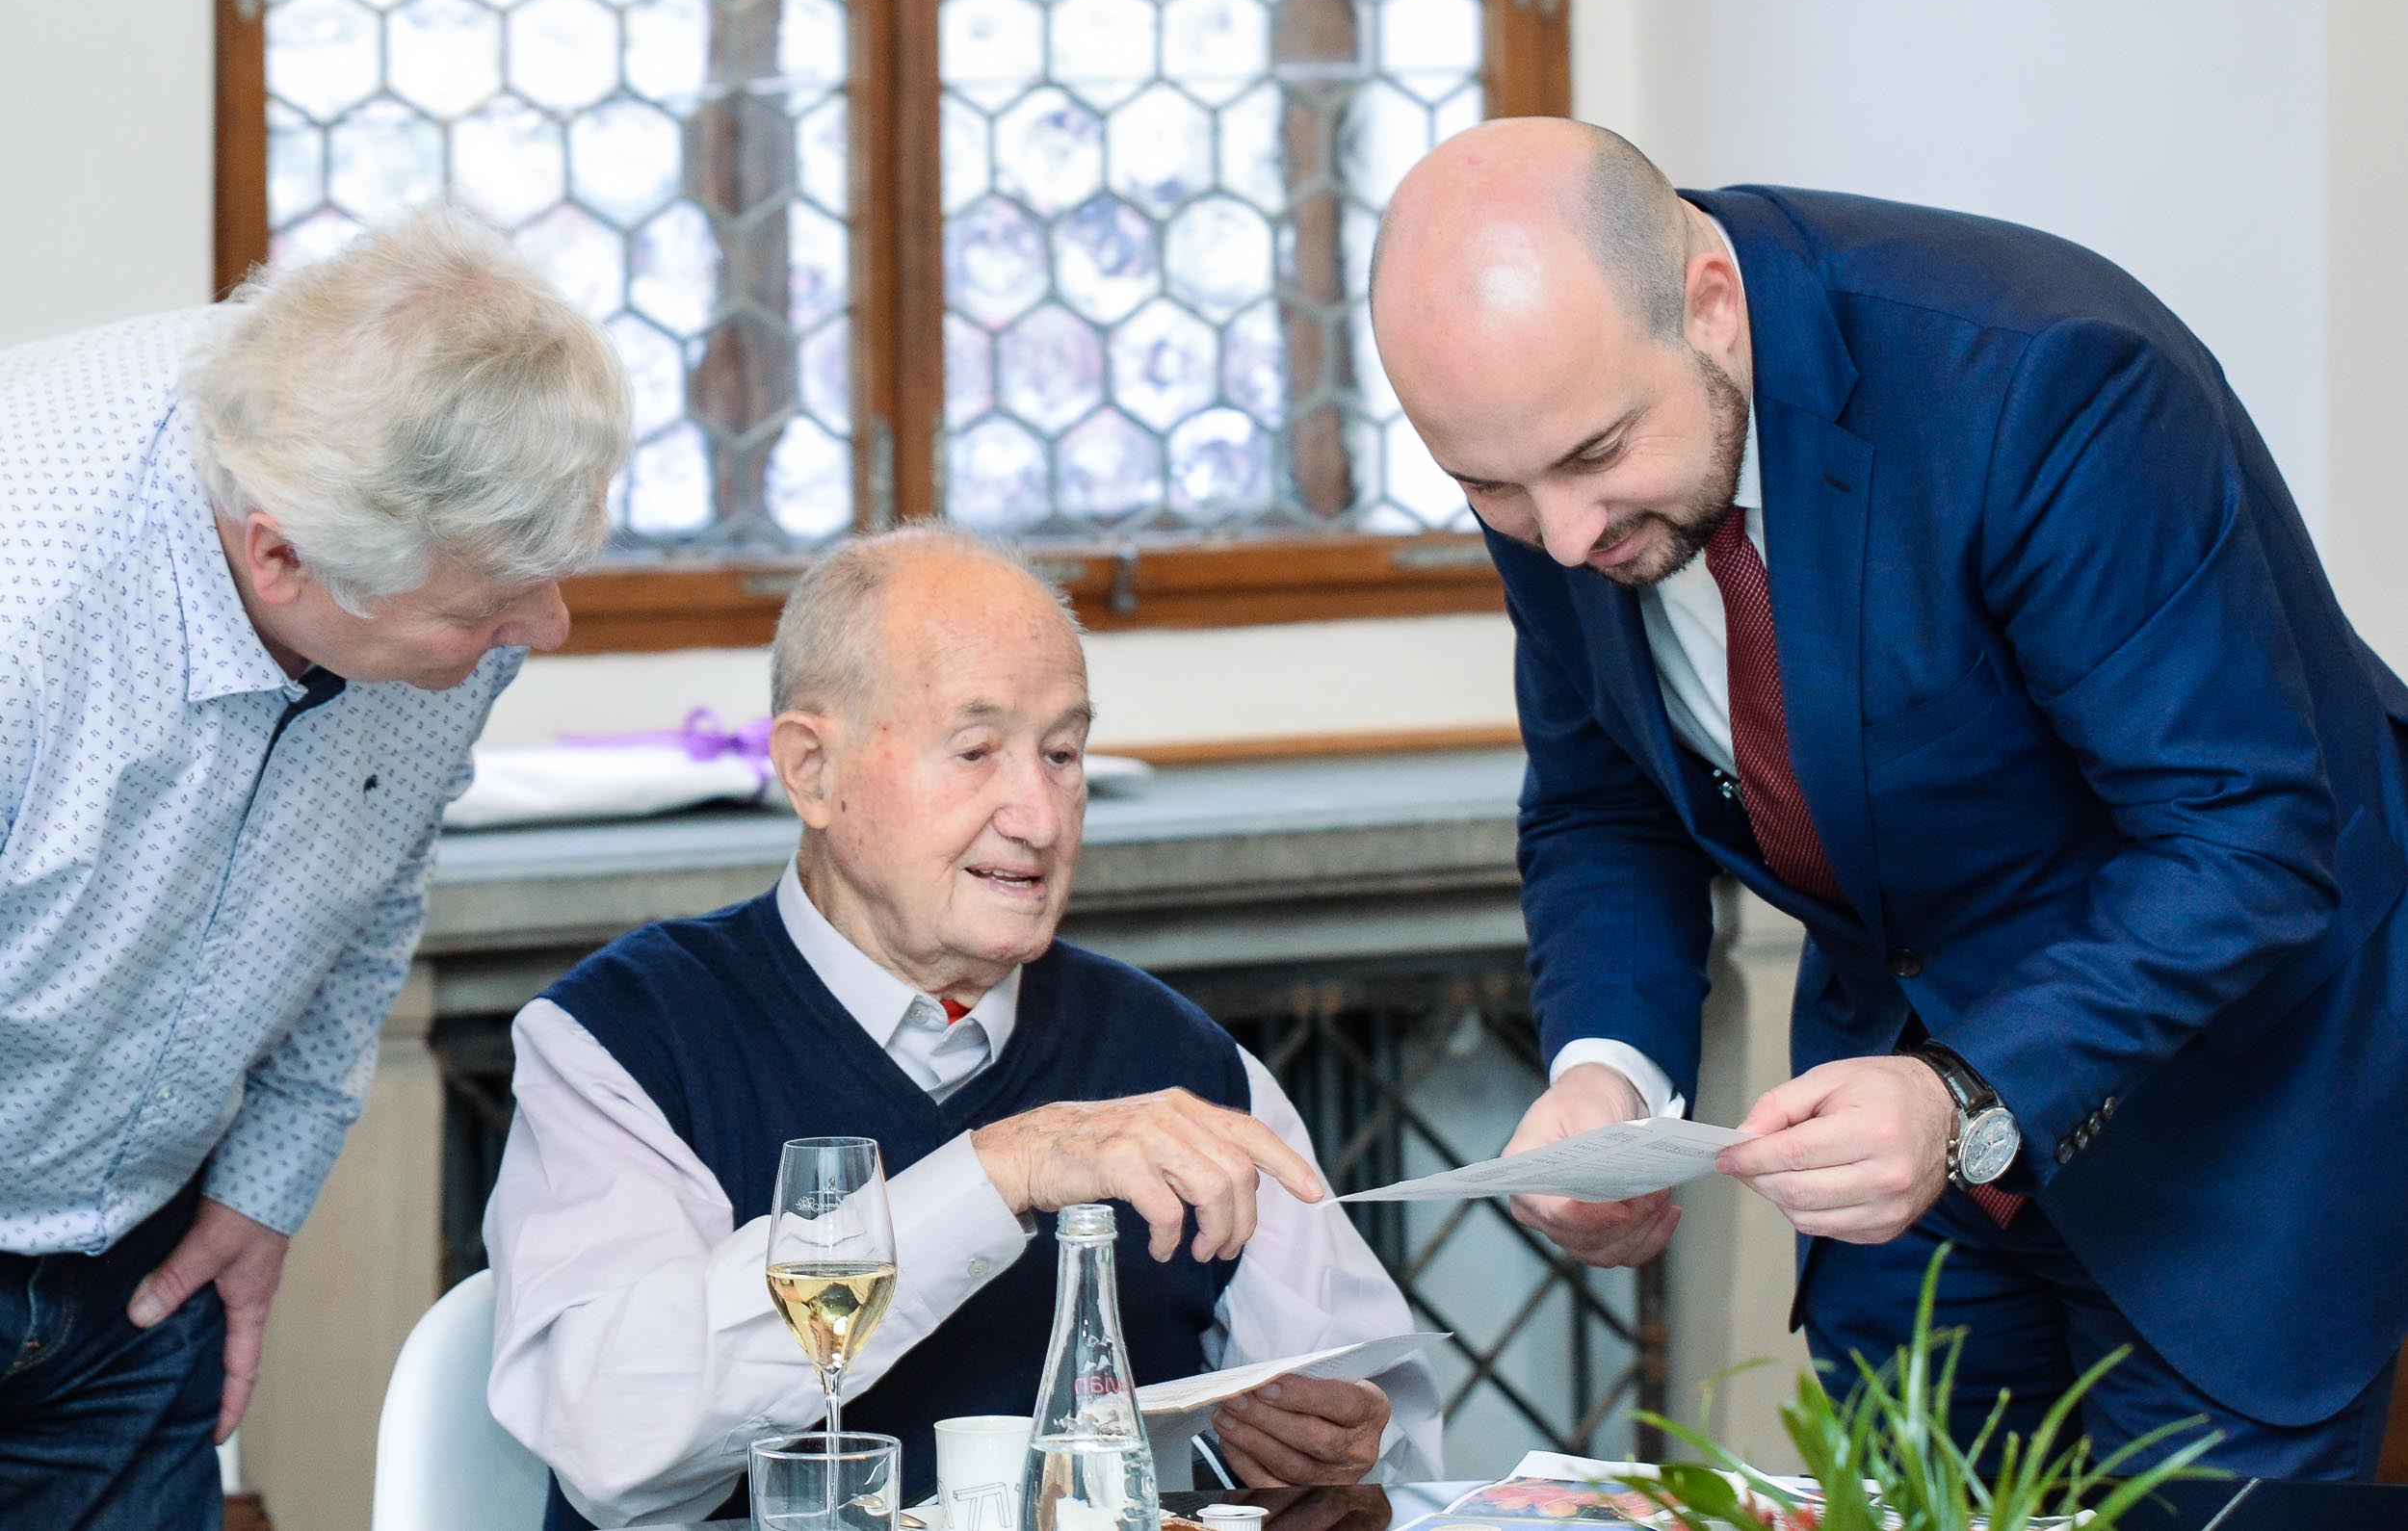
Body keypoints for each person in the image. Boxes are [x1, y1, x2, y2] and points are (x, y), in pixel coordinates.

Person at [1368, 117, 2407, 1478]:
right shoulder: (1556, 456)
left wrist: (1967, 1092)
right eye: (1488, 490)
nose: (1564, 536)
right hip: (1900, 1173)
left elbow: (2243, 834)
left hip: (2236, 1122)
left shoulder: (2047, 381)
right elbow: (1606, 798)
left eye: (1592, 456)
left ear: (1712, 307)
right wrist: (1605, 1068)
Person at [484, 527, 1443, 1530]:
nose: (1037, 813)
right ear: (812, 769)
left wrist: (1341, 1451)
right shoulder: (624, 1040)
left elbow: (1396, 1431)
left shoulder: (1186, 1066)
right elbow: (609, 1440)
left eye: (1063, 752)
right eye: (976, 751)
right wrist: (999, 1170)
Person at [0, 204, 629, 1530]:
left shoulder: (442, 530)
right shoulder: (28, 598)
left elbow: (367, 879)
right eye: (487, 609)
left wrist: (262, 1183)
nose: (545, 630)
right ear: (279, 551)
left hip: (139, 1270)